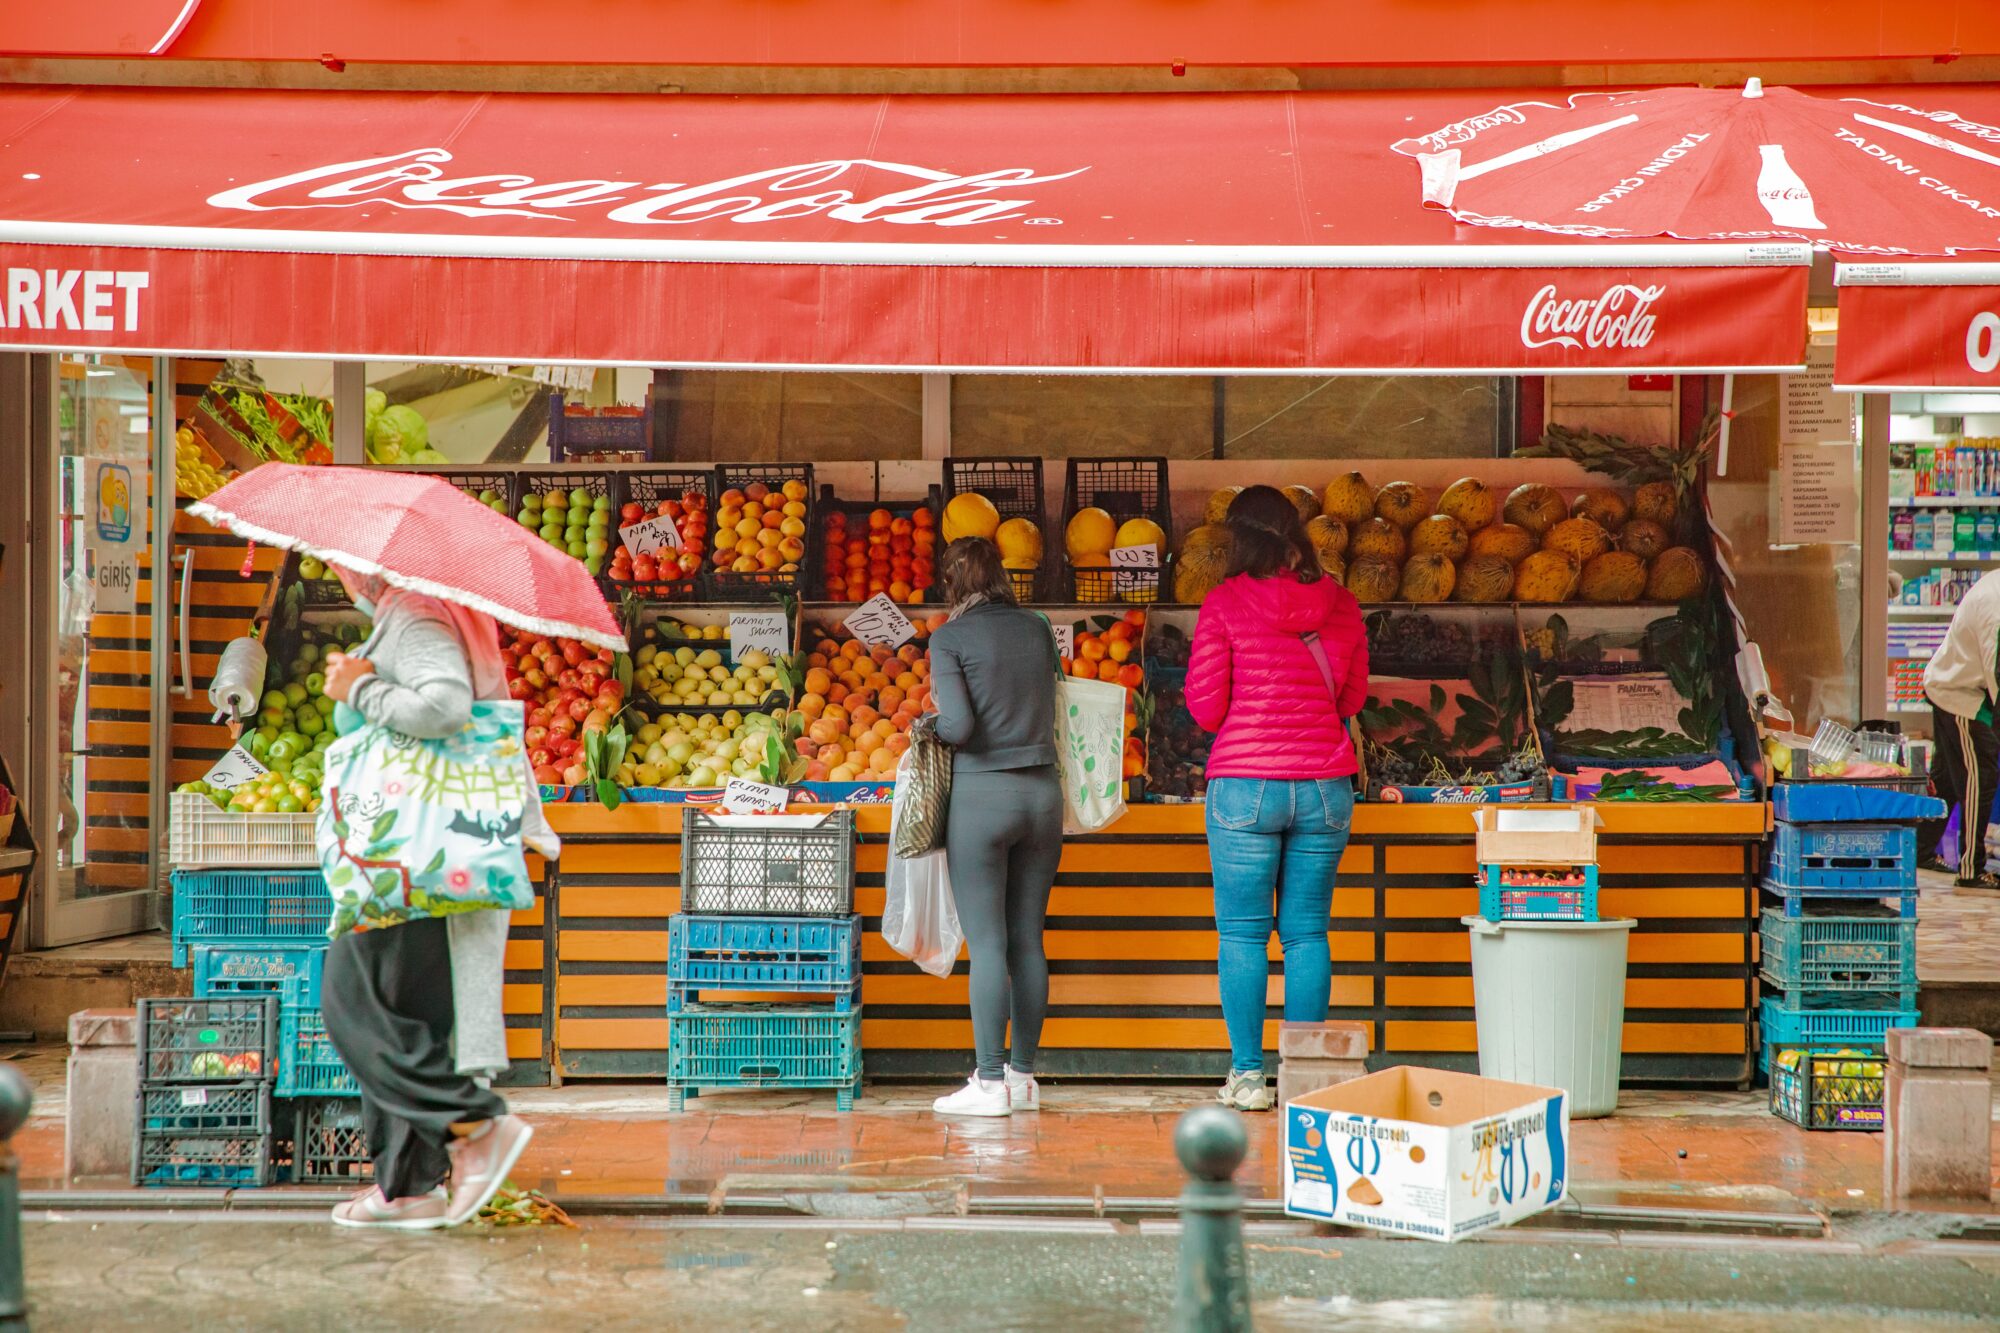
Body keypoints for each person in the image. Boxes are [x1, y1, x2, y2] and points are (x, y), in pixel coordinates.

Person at [317, 564, 536, 1228]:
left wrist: (364, 686)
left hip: (410, 853)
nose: (335, 568)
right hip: (418, 852)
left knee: (351, 1000)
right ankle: (407, 1185)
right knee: (401, 1009)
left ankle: (474, 1123)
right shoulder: (414, 612)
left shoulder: (417, 615)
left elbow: (445, 706)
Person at [1184, 485, 1368, 1110]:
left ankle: (1247, 1077)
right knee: (1307, 933)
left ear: (1239, 539)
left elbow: (1206, 710)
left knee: (1241, 933)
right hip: (1323, 786)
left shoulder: (1225, 602)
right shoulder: (1340, 603)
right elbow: (1350, 701)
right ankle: (1306, 1079)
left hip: (1245, 789)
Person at [926, 537, 1064, 1117]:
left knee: (988, 943)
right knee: (1027, 937)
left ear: (954, 582)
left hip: (983, 798)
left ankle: (987, 1084)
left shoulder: (949, 638)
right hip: (1043, 795)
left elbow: (958, 726)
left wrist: (927, 724)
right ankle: (1023, 1079)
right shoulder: (1036, 627)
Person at [1919, 566, 2000, 889]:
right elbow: (1998, 673)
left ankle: (1921, 849)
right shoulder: (1995, 606)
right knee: (1980, 777)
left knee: (1948, 780)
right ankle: (1972, 869)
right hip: (1962, 695)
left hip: (1957, 685)